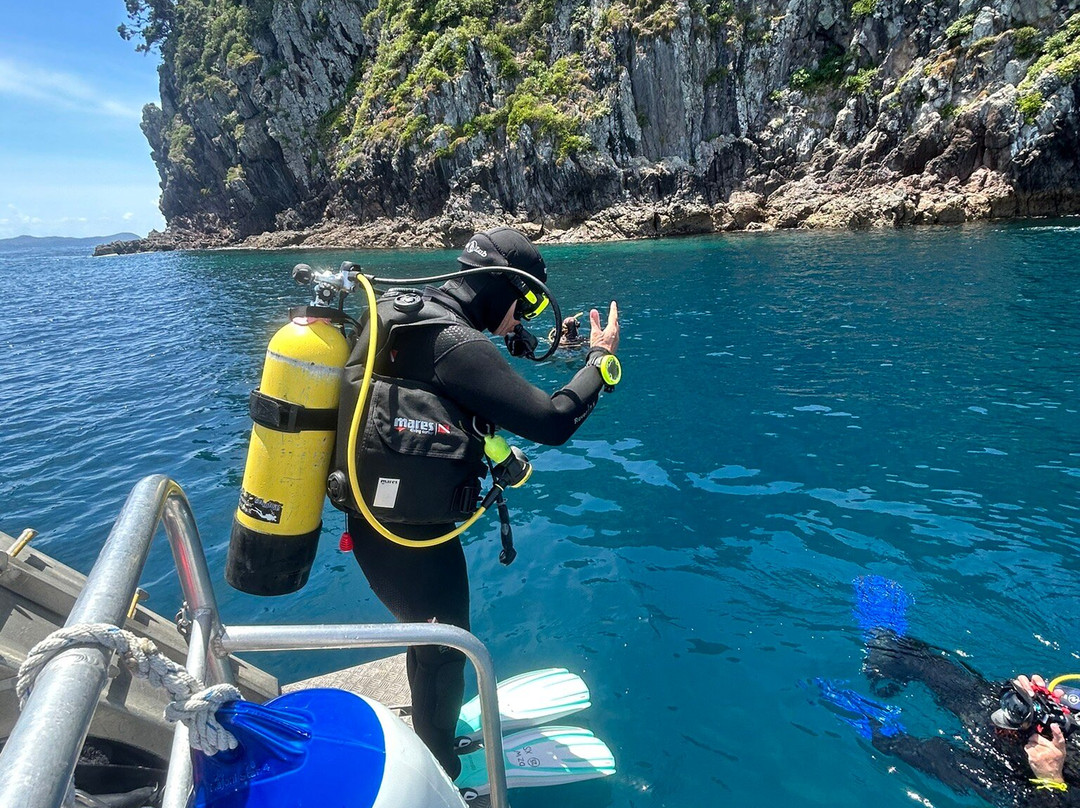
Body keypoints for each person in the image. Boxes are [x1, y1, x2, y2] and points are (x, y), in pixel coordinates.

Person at [334, 226, 620, 779]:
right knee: (447, 649)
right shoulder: (454, 345)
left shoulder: (405, 313)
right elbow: (552, 421)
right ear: (500, 286)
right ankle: (437, 774)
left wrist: (543, 344)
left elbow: (482, 375)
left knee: (427, 636)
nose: (525, 314)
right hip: (413, 539)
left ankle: (429, 737)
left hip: (374, 522)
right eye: (527, 300)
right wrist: (599, 363)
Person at [851, 628, 1080, 806]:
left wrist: (1051, 780)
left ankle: (874, 731)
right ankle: (895, 652)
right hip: (1021, 730)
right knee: (962, 687)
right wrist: (1035, 697)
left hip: (1024, 780)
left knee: (937, 754)